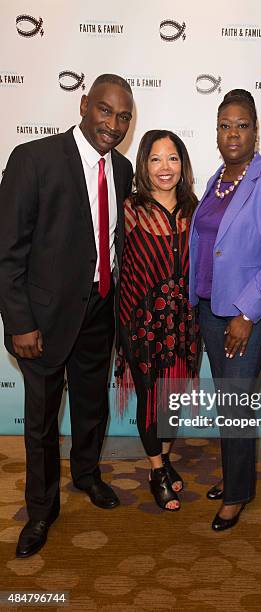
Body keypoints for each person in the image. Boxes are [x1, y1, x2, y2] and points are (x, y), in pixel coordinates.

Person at [0, 74, 134, 558]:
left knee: (91, 406)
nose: (113, 125)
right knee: (39, 422)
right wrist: (19, 322)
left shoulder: (121, 169)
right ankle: (40, 511)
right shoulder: (33, 160)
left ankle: (86, 475)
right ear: (83, 104)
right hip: (42, 320)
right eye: (105, 111)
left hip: (100, 313)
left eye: (123, 117)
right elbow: (8, 251)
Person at [189, 89, 261, 531]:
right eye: (225, 125)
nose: (233, 133)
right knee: (230, 400)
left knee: (234, 402)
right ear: (216, 132)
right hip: (210, 309)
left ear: (256, 130)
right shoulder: (214, 183)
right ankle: (238, 477)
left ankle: (235, 495)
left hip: (249, 314)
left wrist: (247, 314)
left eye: (242, 125)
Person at [117, 130, 199, 511]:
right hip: (141, 322)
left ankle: (164, 461)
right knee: (151, 398)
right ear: (144, 166)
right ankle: (155, 471)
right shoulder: (130, 208)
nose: (165, 167)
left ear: (183, 164)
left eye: (172, 158)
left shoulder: (194, 208)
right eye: (155, 159)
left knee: (175, 399)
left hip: (183, 324)